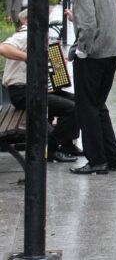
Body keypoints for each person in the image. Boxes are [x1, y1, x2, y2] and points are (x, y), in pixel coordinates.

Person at [62, 0, 116, 175]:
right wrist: (76, 17)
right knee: (99, 105)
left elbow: (89, 24)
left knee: (87, 107)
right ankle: (113, 157)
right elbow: (99, 17)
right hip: (112, 51)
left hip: (94, 54)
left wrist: (81, 50)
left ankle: (97, 159)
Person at [0, 10, 81, 162]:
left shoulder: (35, 35)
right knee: (73, 109)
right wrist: (31, 58)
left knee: (78, 102)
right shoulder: (25, 35)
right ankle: (52, 148)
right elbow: (3, 48)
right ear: (26, 21)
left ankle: (67, 144)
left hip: (34, 89)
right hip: (22, 92)